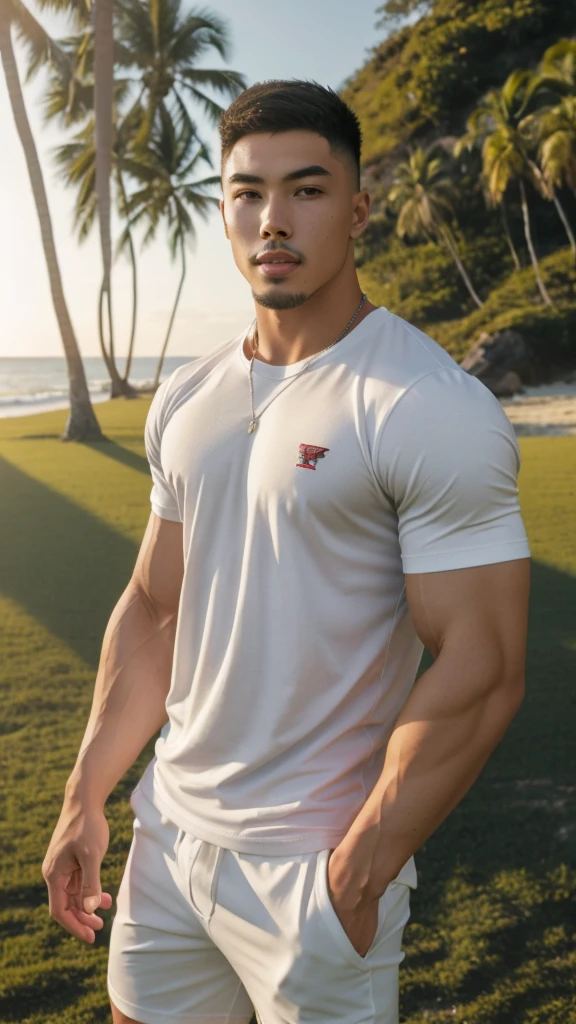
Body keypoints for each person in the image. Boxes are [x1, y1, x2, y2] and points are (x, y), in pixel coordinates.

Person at [42, 80, 531, 1024]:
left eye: (307, 190)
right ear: (223, 210)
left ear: (357, 208)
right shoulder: (190, 396)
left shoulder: (421, 402)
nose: (274, 219)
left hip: (314, 869)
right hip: (169, 845)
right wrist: (86, 794)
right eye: (248, 192)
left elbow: (483, 665)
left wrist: (356, 875)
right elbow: (154, 607)